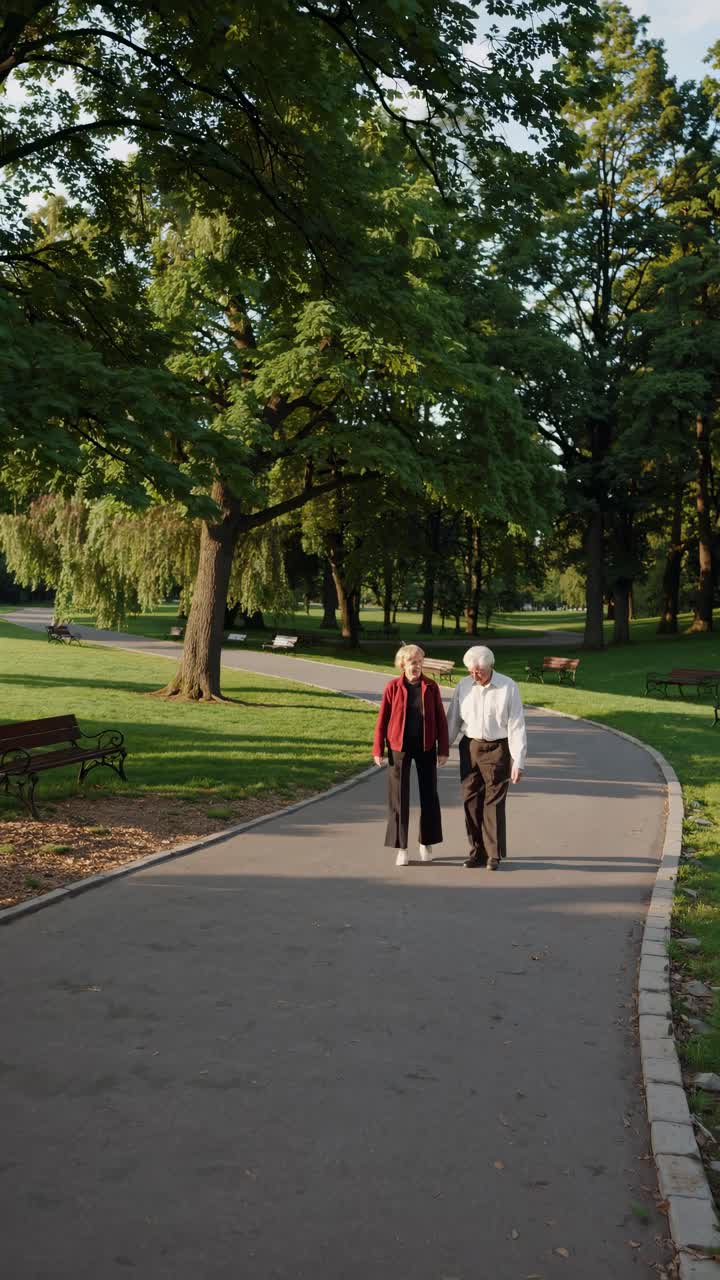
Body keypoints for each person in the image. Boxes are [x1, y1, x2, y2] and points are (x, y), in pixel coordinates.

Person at [446, 645, 526, 870]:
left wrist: (518, 760)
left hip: (498, 748)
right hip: (470, 746)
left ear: (490, 666)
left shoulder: (508, 686)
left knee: (494, 802)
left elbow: (516, 725)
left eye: (478, 671)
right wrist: (442, 748)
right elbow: (453, 720)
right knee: (470, 800)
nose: (474, 675)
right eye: (471, 671)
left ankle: (493, 855)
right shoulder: (463, 685)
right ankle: (477, 851)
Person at [373, 644, 449, 867]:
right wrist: (378, 748)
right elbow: (382, 720)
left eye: (419, 661)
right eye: (412, 662)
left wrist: (443, 749)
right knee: (398, 798)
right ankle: (402, 848)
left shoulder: (431, 686)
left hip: (426, 748)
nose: (416, 666)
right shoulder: (393, 687)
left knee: (429, 796)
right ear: (402, 664)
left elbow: (441, 721)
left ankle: (427, 842)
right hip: (399, 748)